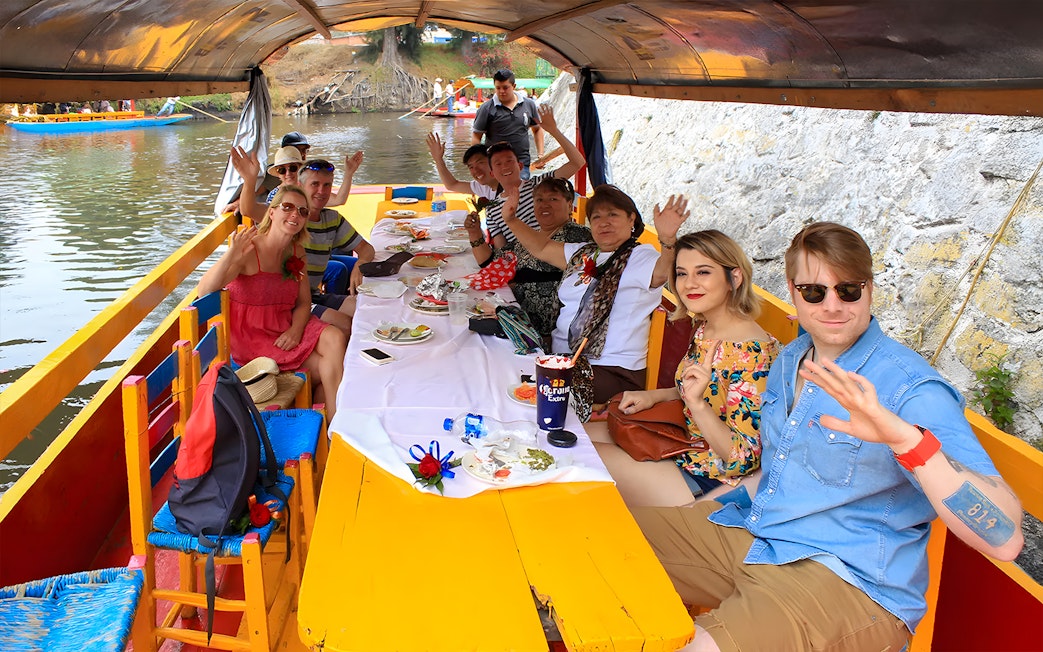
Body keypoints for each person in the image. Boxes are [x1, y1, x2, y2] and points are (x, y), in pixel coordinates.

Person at [631, 222, 1024, 652]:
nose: (832, 305)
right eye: (815, 292)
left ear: (870, 289)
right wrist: (694, 513)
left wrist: (907, 442)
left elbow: (1004, 539)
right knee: (604, 539)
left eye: (849, 290)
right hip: (760, 536)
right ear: (793, 291)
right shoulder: (792, 360)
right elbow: (772, 474)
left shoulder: (909, 388)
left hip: (847, 580)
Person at [586, 230, 779, 507]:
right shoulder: (706, 327)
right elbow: (698, 389)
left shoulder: (752, 354)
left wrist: (697, 404)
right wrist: (655, 396)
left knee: (577, 453)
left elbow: (742, 459)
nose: (689, 284)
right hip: (681, 441)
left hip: (707, 474)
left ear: (733, 278)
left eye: (703, 272)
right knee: (571, 435)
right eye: (681, 273)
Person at [501, 184, 688, 420]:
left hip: (611, 370)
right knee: (505, 367)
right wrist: (511, 219)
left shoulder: (641, 256)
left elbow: (664, 270)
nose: (603, 222)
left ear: (632, 219)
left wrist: (668, 240)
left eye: (613, 215)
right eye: (596, 217)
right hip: (563, 358)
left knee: (535, 395)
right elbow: (542, 246)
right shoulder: (583, 253)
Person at [196, 185, 346, 421]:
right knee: (324, 369)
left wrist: (296, 331)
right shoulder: (250, 247)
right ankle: (329, 421)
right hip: (253, 339)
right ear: (272, 212)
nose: (295, 214)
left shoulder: (296, 251)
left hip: (284, 327)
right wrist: (231, 254)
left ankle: (333, 420)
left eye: (302, 211)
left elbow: (304, 303)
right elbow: (203, 291)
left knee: (336, 338)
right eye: (287, 207)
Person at [232, 150, 374, 335]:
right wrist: (249, 180)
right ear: (300, 185)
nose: (322, 191)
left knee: (363, 310)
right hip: (287, 302)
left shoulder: (332, 219)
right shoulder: (288, 216)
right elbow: (248, 208)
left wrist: (360, 263)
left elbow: (367, 249)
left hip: (312, 295)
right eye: (315, 184)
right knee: (343, 324)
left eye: (327, 185)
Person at [471, 177, 593, 340]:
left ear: (570, 205)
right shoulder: (530, 237)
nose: (545, 204)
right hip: (516, 319)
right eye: (539, 200)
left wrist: (511, 219)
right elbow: (489, 263)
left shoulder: (579, 236)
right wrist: (474, 233)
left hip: (547, 332)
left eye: (553, 199)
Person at [474, 104, 585, 250]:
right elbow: (502, 251)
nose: (505, 167)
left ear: (519, 166)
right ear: (492, 173)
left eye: (509, 161)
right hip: (523, 262)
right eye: (498, 164)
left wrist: (553, 130)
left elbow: (578, 162)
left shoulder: (540, 185)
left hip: (554, 251)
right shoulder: (492, 210)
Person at [472, 69, 543, 179]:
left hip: (521, 163)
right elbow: (477, 136)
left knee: (521, 193)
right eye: (498, 88)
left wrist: (541, 155)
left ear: (514, 86)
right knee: (497, 195)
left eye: (505, 87)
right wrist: (477, 162)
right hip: (495, 165)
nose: (501, 91)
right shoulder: (486, 109)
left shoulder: (529, 105)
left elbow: (537, 129)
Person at [425, 135, 498, 201]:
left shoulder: (506, 188)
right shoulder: (484, 187)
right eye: (471, 167)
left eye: (480, 163)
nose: (476, 170)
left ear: (493, 162)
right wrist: (438, 159)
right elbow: (452, 185)